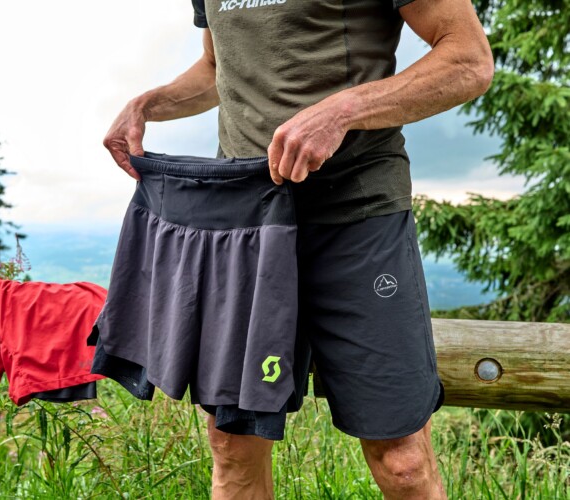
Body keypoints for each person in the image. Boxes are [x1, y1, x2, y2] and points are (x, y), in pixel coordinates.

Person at [103, 0, 493, 498]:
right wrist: (148, 104)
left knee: (403, 463)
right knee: (232, 448)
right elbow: (218, 67)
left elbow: (468, 60)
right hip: (245, 226)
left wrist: (344, 111)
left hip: (356, 215)